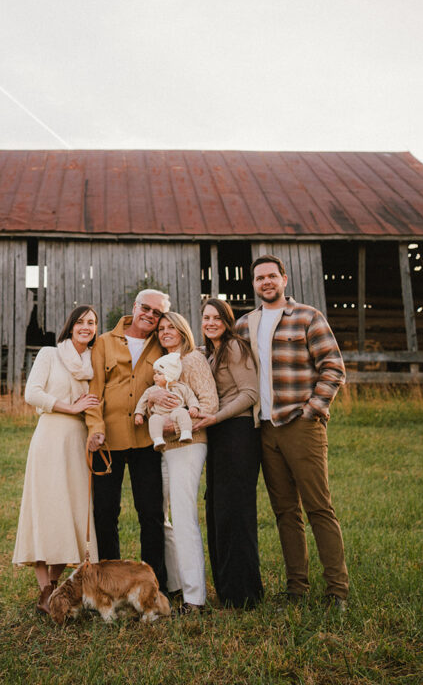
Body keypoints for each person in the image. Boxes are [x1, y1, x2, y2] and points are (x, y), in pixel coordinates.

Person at [236, 255, 349, 609]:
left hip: (300, 424)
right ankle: (296, 589)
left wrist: (313, 410)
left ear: (284, 279)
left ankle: (337, 591)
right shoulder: (245, 324)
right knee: (285, 512)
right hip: (264, 429)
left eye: (272, 276)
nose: (266, 282)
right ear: (254, 284)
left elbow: (333, 367)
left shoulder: (307, 317)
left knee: (319, 507)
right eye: (260, 278)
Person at [13, 305, 100, 614]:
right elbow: (32, 393)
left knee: (69, 512)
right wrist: (70, 406)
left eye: (92, 323)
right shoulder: (50, 355)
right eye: (81, 322)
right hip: (50, 438)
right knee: (46, 509)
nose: (86, 327)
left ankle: (52, 587)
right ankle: (46, 592)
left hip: (77, 442)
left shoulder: (94, 362)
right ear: (70, 326)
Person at [85, 289, 171, 593]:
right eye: (145, 308)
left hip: (147, 441)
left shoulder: (162, 345)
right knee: (105, 513)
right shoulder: (104, 343)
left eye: (157, 313)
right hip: (107, 441)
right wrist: (95, 428)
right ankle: (111, 587)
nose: (150, 315)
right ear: (134, 307)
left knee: (151, 513)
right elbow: (94, 391)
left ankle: (154, 586)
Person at [153, 310, 219, 612]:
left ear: (183, 331)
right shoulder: (163, 364)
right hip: (165, 448)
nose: (166, 332)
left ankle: (195, 598)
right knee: (162, 515)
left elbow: (209, 403)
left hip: (189, 445)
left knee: (183, 516)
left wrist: (176, 427)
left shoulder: (192, 359)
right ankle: (177, 583)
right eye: (161, 328)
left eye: (172, 327)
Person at [200, 297, 263, 608]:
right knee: (218, 510)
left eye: (217, 318)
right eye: (206, 318)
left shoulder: (235, 347)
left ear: (228, 322)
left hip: (238, 433)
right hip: (219, 433)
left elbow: (250, 393)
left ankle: (244, 595)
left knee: (235, 512)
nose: (211, 323)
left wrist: (216, 417)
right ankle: (227, 590)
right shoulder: (210, 353)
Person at [134, 352, 200, 449]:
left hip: (175, 413)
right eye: (155, 373)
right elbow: (142, 402)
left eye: (159, 373)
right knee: (153, 420)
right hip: (160, 415)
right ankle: (158, 440)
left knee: (182, 413)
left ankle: (186, 432)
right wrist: (139, 414)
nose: (155, 376)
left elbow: (190, 397)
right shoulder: (152, 390)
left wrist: (193, 407)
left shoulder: (181, 387)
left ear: (170, 374)